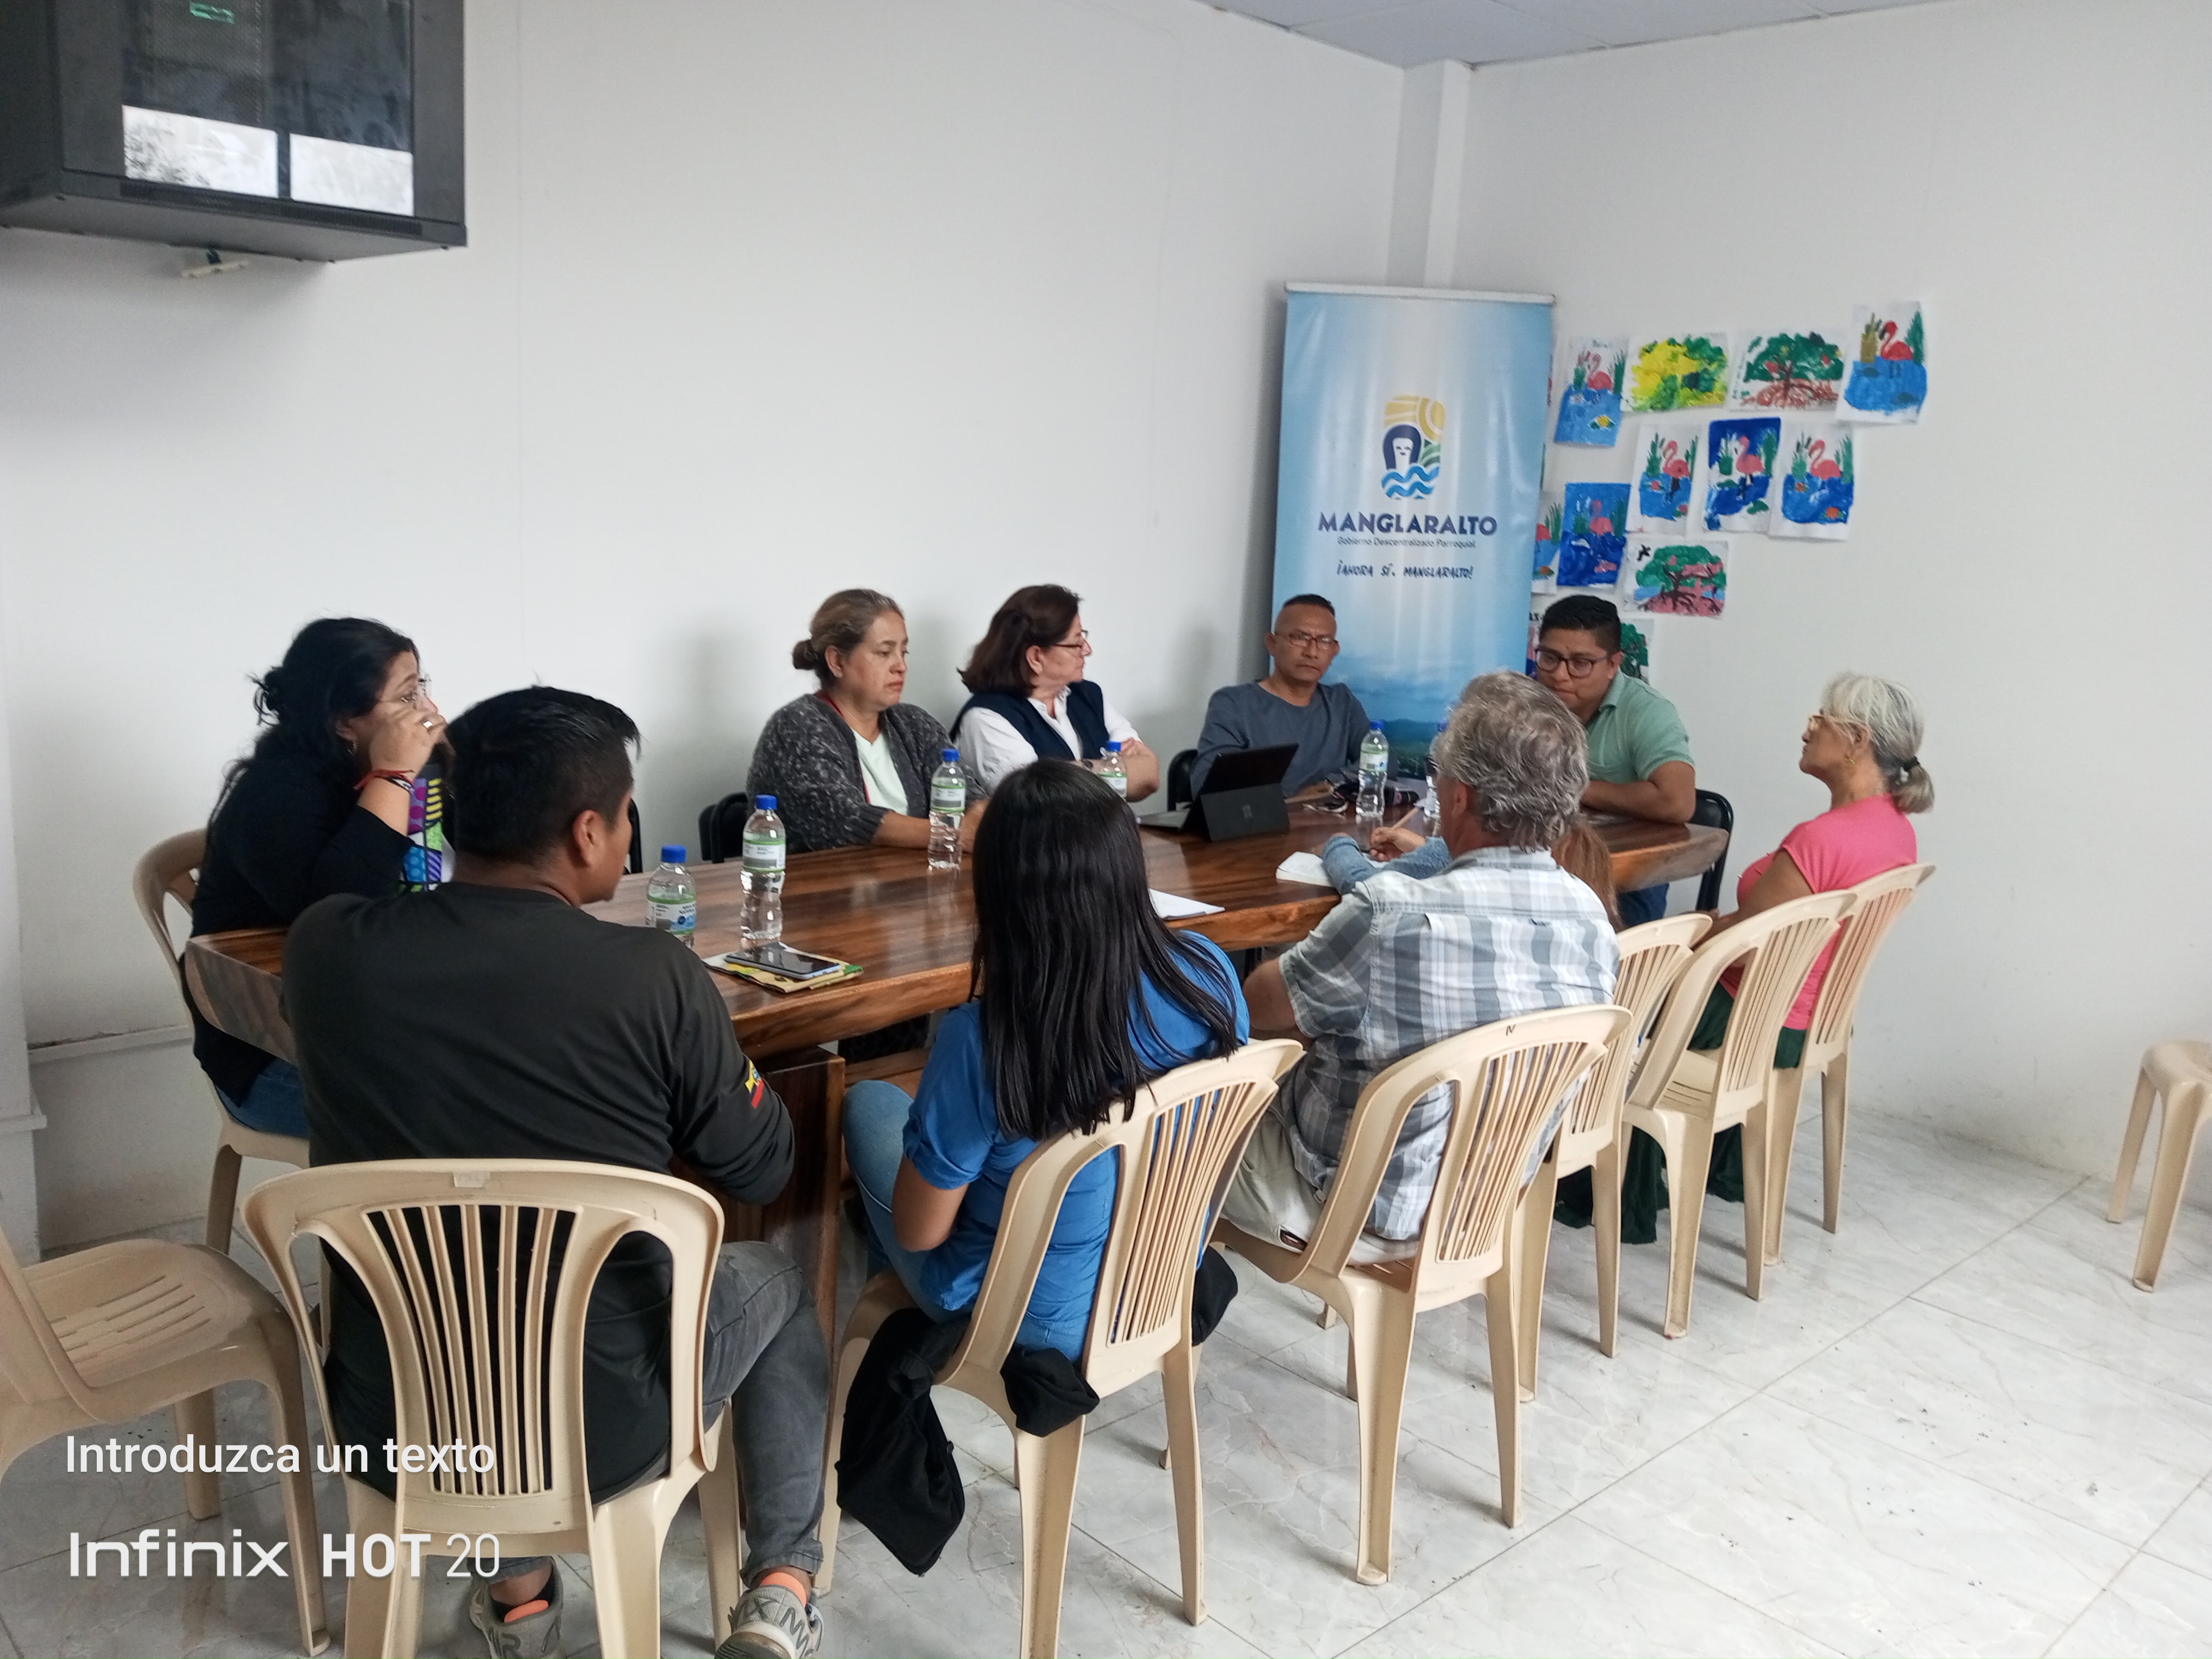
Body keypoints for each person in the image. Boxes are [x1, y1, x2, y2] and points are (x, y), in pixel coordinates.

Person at [285, 687, 829, 1659]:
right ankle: (782, 1586)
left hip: (392, 1409)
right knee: (779, 1278)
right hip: (606, 1423)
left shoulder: (324, 949)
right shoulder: (653, 976)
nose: (625, 831)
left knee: (472, 1293)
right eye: (625, 814)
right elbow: (760, 1166)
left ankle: (522, 1600)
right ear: (588, 831)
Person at [841, 761, 1247, 1359]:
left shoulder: (985, 1037)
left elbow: (919, 1231)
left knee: (867, 1101)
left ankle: (893, 1355)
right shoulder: (1209, 973)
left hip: (1026, 1321)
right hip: (1162, 1279)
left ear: (997, 890)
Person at [1221, 672, 1619, 1255]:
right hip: (1482, 1204)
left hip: (1346, 1208)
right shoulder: (1589, 916)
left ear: (1458, 798)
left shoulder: (1390, 912)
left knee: (1168, 1117)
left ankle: (1162, 1294)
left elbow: (1253, 1010)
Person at [1563, 670, 1933, 1242]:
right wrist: (1714, 927)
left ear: (1857, 740)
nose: (1807, 731)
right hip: (1808, 1015)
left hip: (1751, 1018)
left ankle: (1592, 1182)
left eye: (1820, 721)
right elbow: (1770, 928)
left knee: (1613, 1000)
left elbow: (1745, 949)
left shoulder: (1822, 839)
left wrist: (1685, 939)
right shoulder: (1894, 830)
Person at [187, 617, 446, 1139]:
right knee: (460, 1120)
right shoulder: (275, 795)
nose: (426, 710)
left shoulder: (416, 772)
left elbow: (479, 862)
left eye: (421, 688)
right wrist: (394, 777)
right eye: (405, 697)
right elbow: (340, 915)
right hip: (272, 1052)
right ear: (345, 722)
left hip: (386, 1022)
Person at [748, 588, 985, 855]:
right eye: (884, 653)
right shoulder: (797, 726)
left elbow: (969, 795)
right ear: (837, 661)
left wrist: (979, 813)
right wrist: (951, 834)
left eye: (904, 652)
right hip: (825, 880)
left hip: (913, 877)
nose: (901, 666)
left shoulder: (915, 724)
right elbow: (842, 819)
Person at [1533, 594, 1695, 926]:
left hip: (1622, 878)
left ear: (1613, 664)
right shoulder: (1527, 702)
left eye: (1580, 663)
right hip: (1537, 863)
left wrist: (1573, 787)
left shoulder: (1647, 712)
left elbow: (1678, 802)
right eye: (1549, 658)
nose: (1560, 675)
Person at [951, 584, 1159, 801]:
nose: (1087, 650)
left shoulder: (1088, 695)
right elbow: (1035, 799)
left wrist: (1063, 774)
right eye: (1076, 643)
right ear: (1036, 658)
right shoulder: (986, 718)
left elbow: (1149, 776)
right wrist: (1114, 768)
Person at [1190, 594, 1369, 799]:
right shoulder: (1233, 704)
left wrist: (1332, 784)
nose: (1312, 652)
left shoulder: (1342, 702)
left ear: (1335, 650)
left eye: (1324, 641)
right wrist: (1293, 800)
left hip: (1328, 818)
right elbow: (1208, 786)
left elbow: (1383, 762)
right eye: (1300, 638)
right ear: (1272, 643)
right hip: (1265, 819)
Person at [1319, 815, 1622, 926]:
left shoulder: (1458, 849)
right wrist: (1426, 846)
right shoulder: (1582, 845)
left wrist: (1339, 843)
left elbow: (1365, 888)